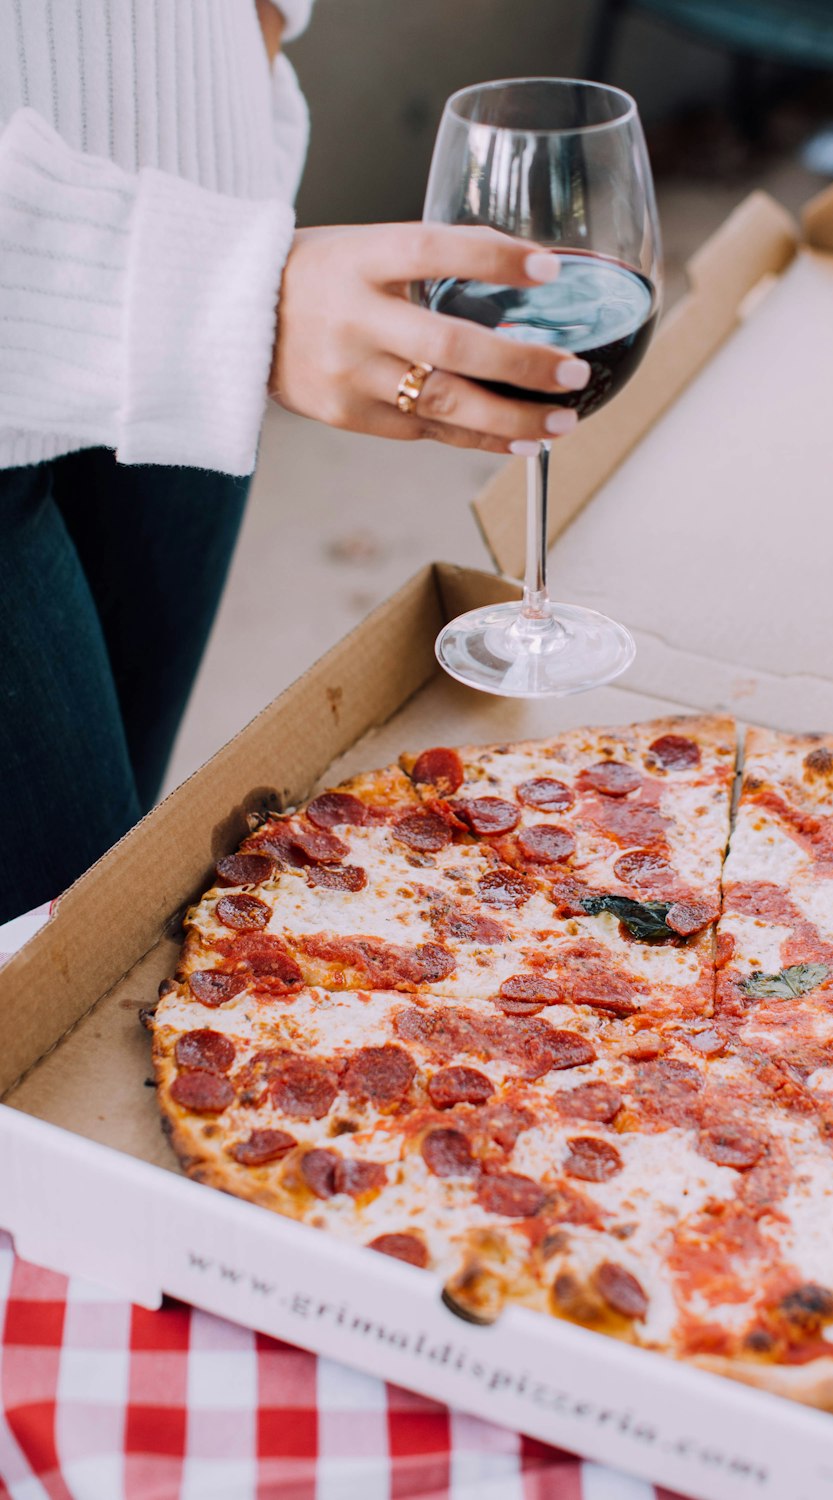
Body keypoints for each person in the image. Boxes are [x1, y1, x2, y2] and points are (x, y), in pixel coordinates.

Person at [0, 0, 590, 924]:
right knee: (63, 954)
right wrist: (209, 296)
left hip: (204, 242)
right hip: (172, 296)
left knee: (121, 858)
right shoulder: (210, 298)